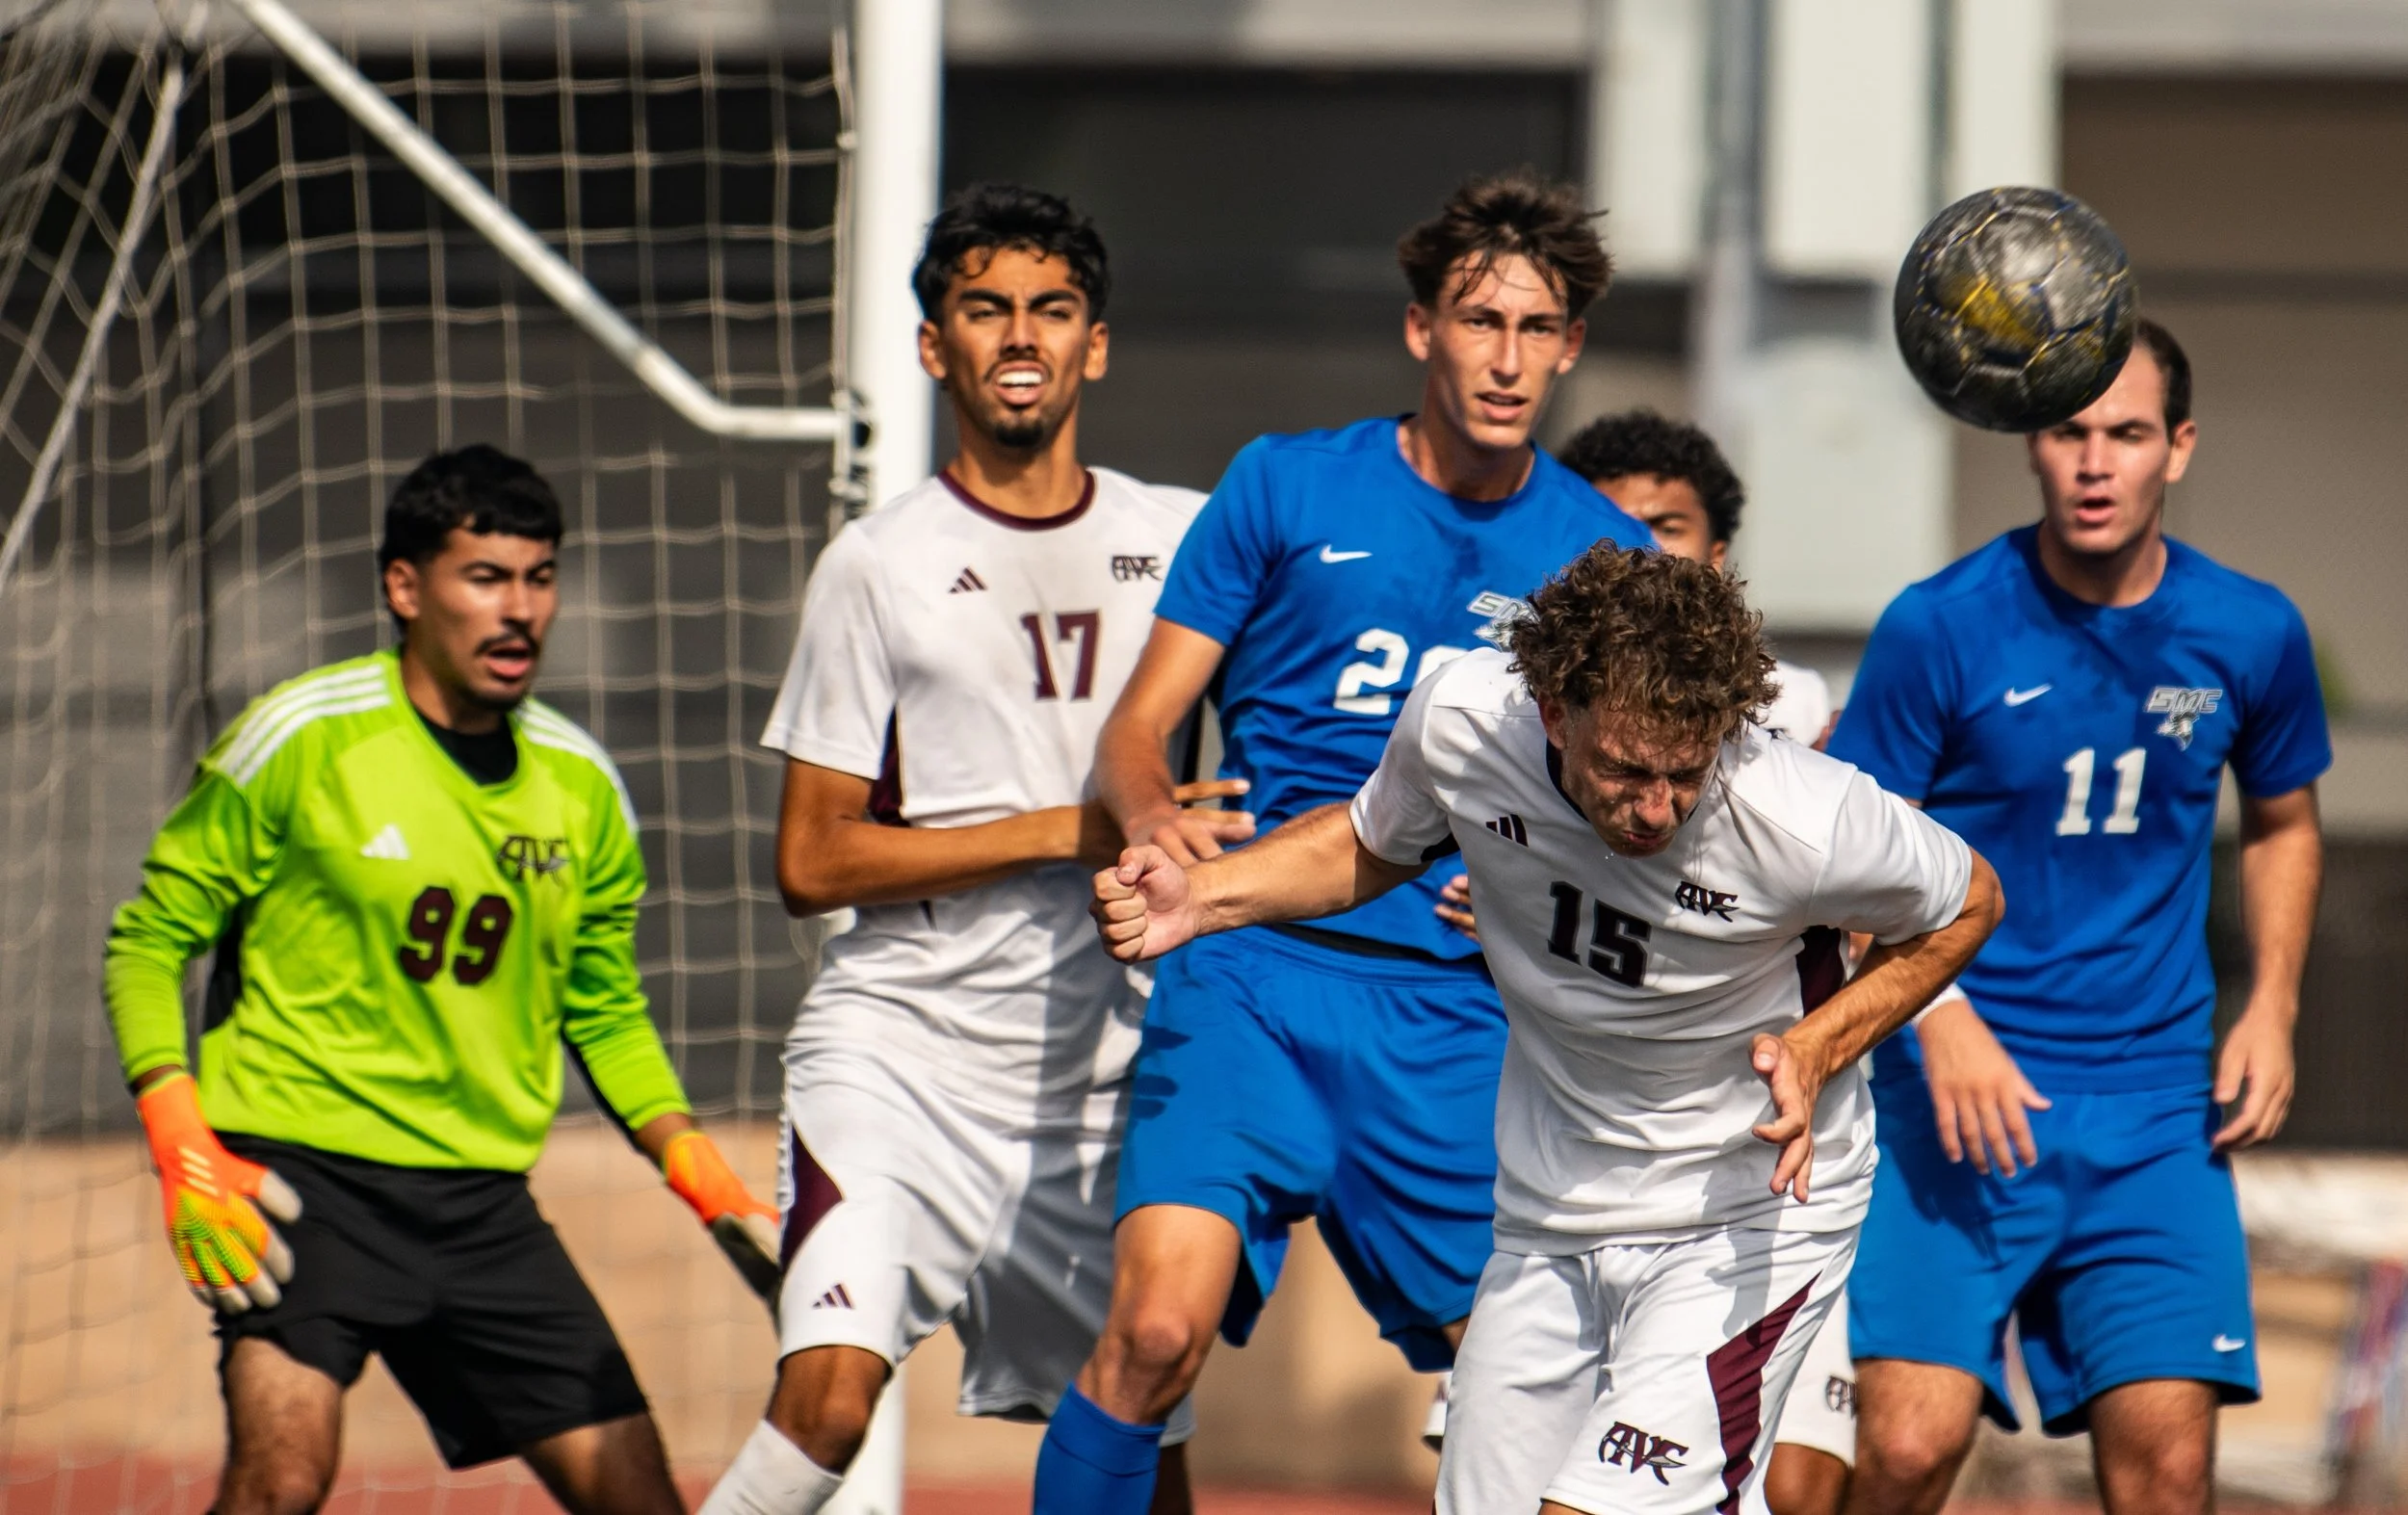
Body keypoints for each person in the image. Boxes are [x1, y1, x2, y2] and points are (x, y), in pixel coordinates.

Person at [1091, 543, 2002, 1515]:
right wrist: (1207, 894)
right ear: (1554, 712)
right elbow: (1368, 841)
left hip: (1740, 1220)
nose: (1656, 807)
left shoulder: (1805, 815)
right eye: (1624, 768)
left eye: (1684, 773)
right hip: (1546, 1211)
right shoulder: (1461, 718)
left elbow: (1970, 899)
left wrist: (1825, 1041)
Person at [1027, 170, 1652, 1514]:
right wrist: (1153, 830)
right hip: (1246, 970)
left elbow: (1639, 808)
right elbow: (1138, 731)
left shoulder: (1601, 557)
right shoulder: (1283, 484)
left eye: (1537, 329)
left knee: (1516, 1391)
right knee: (1150, 1337)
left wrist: (1555, 900)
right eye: (1479, 321)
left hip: (1453, 1016)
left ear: (1572, 347)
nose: (1506, 357)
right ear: (1421, 327)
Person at [103, 445, 778, 1515]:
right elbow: (147, 941)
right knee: (281, 1476)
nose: (521, 611)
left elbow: (600, 1004)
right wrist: (180, 1138)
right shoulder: (300, 738)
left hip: (482, 1209)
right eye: (486, 577)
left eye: (540, 576)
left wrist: (696, 1167)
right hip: (301, 1183)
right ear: (405, 588)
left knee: (643, 1503)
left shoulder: (582, 787)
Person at [697, 185, 1237, 1515]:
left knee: (1138, 1423)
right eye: (985, 308)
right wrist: (1070, 828)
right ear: (934, 346)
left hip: (1109, 1074)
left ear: (1094, 346)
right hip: (905, 1056)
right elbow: (812, 863)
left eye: (1052, 311)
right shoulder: (876, 565)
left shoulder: (1186, 537)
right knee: (825, 1404)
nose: (1020, 337)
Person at [1828, 320, 2329, 1515]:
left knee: (2166, 1475)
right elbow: (1841, 861)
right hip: (1948, 1104)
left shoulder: (2249, 629)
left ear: (2180, 447)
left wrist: (2271, 1006)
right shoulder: (1936, 625)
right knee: (1903, 1449)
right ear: (2029, 444)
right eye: (2068, 432)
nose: (2095, 463)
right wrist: (1937, 1016)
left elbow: (2283, 823)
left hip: (2156, 1112)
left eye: (2127, 433)